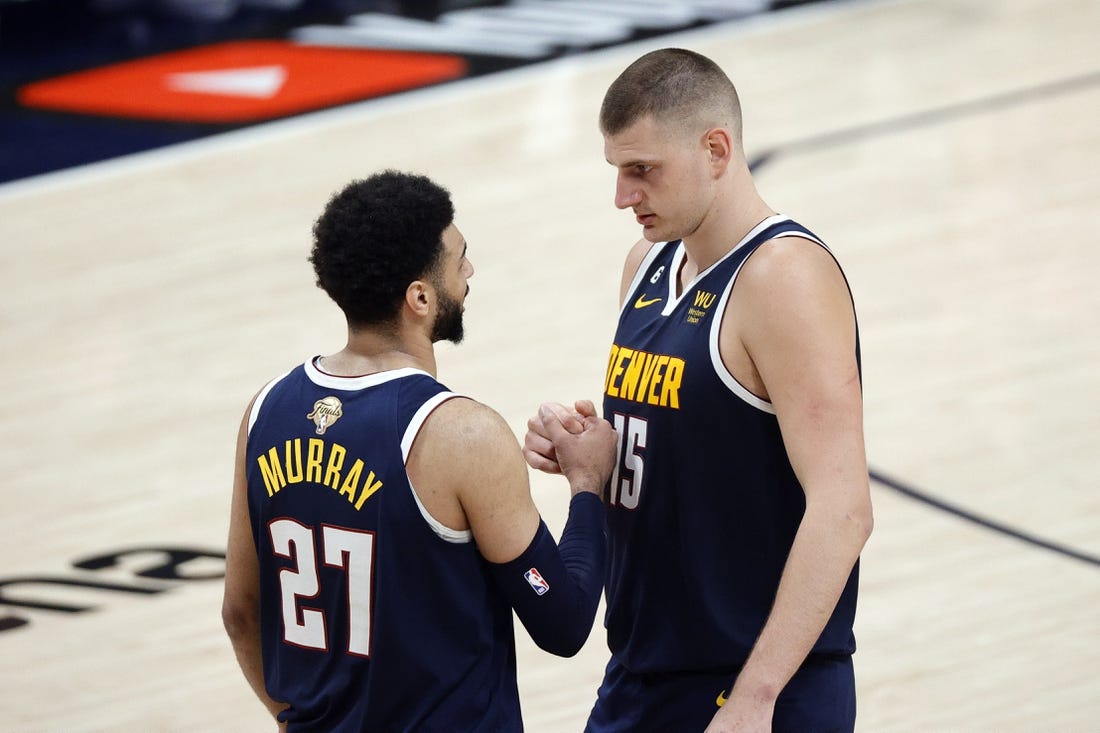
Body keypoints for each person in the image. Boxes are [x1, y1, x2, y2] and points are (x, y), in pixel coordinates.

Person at [524, 49, 874, 732]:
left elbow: (844, 507)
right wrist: (589, 453)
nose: (623, 196)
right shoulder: (646, 264)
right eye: (618, 171)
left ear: (716, 149)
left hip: (755, 685)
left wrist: (756, 696)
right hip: (640, 672)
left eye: (641, 170)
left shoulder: (783, 276)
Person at [222, 170, 618, 732]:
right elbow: (564, 621)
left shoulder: (264, 411)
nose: (470, 272)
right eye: (460, 260)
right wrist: (588, 486)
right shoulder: (460, 434)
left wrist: (289, 719)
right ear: (420, 297)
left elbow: (240, 615)